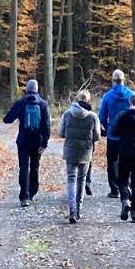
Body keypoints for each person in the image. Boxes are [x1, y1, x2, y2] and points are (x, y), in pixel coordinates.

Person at [1, 79, 51, 206]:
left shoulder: (21, 103)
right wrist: (44, 143)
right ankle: (33, 192)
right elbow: (46, 126)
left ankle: (24, 196)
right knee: (35, 166)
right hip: (37, 141)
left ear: (26, 89)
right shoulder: (43, 104)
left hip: (23, 141)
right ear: (37, 89)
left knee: (24, 167)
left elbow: (7, 119)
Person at [58, 90, 101, 223]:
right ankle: (78, 210)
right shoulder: (93, 117)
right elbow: (97, 136)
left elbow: (61, 133)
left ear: (77, 100)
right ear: (88, 101)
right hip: (85, 151)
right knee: (81, 180)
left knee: (71, 179)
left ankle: (71, 210)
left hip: (70, 150)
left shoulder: (67, 114)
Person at [107, 93, 135, 222]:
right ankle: (134, 211)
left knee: (122, 180)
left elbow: (114, 131)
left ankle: (125, 200)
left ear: (130, 103)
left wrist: (123, 133)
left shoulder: (122, 116)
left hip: (124, 152)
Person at [97, 69, 135, 198]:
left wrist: (108, 128)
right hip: (128, 135)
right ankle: (127, 186)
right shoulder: (132, 95)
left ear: (113, 81)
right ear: (124, 80)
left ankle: (115, 190)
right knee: (127, 161)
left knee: (112, 162)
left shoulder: (107, 96)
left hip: (113, 135)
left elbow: (102, 116)